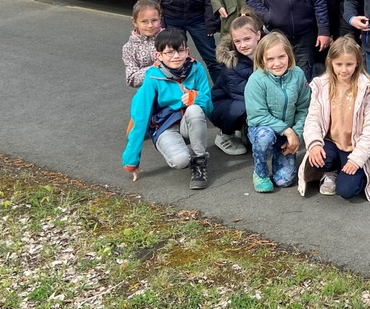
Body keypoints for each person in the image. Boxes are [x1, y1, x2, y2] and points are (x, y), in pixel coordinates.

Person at [122, 28, 213, 190]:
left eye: (180, 51)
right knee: (180, 161)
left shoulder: (196, 68)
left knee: (195, 109)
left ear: (187, 51)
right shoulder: (152, 77)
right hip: (164, 126)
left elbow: (210, 108)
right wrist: (131, 160)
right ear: (159, 55)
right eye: (169, 52)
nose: (176, 56)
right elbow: (140, 117)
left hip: (187, 123)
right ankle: (179, 148)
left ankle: (199, 162)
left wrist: (197, 98)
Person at [297, 36, 370, 200]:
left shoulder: (368, 89)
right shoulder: (321, 85)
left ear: (357, 63)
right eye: (339, 64)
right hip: (330, 142)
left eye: (349, 64)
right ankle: (331, 171)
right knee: (317, 161)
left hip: (354, 146)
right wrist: (314, 144)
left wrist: (356, 160)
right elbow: (313, 120)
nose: (344, 70)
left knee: (346, 191)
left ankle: (356, 172)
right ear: (330, 62)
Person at [245, 31, 311, 192]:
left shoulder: (298, 75)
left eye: (281, 56)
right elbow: (258, 115)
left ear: (289, 55)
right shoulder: (256, 80)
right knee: (265, 137)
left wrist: (296, 134)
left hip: (288, 134)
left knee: (284, 181)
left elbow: (304, 107)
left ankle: (280, 156)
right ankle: (260, 172)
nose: (277, 63)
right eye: (270, 59)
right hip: (263, 130)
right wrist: (287, 130)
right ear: (262, 60)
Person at [209, 14, 263, 156]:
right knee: (244, 107)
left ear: (258, 35)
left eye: (247, 39)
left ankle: (245, 128)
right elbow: (245, 94)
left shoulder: (268, 54)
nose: (243, 45)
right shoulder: (231, 64)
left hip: (256, 101)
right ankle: (225, 134)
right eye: (237, 41)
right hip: (224, 105)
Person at [123, 0, 162, 89]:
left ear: (160, 19)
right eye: (144, 21)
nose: (150, 25)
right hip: (146, 93)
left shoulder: (169, 39)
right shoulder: (129, 48)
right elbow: (131, 79)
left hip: (171, 91)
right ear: (134, 22)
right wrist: (156, 68)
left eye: (154, 20)